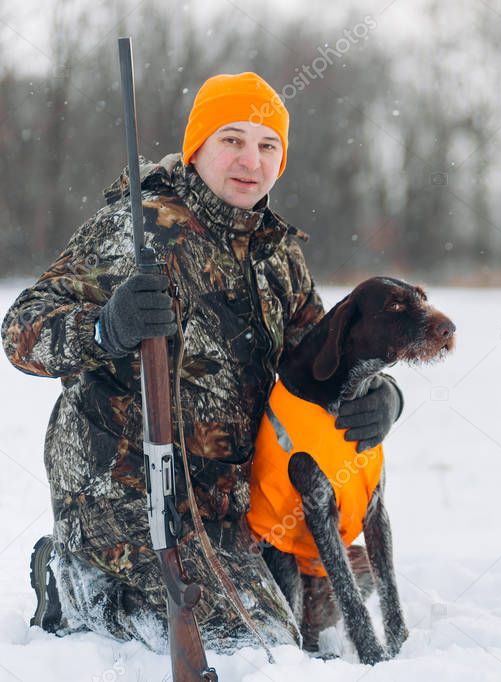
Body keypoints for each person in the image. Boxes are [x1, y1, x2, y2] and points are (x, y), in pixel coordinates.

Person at [1, 72, 403, 653]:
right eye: (231, 139)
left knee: (331, 594)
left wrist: (385, 393)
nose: (250, 160)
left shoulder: (279, 253)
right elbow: (20, 330)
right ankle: (81, 585)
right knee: (260, 641)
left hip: (235, 500)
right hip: (128, 492)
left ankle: (231, 574)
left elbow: (321, 363)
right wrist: (104, 328)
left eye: (268, 145)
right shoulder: (138, 230)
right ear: (197, 148)